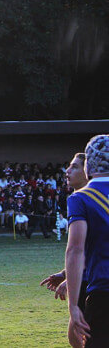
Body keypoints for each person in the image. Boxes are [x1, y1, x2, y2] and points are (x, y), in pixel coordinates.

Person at [65, 136, 109, 348]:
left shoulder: (80, 198)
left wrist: (74, 305)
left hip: (103, 290)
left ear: (89, 165)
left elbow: (75, 249)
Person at [40, 153, 90, 307]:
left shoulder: (88, 202)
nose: (67, 171)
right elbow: (88, 250)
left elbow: (98, 250)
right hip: (87, 281)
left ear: (88, 171)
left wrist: (71, 279)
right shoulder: (79, 199)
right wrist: (64, 274)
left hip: (96, 285)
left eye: (74, 167)